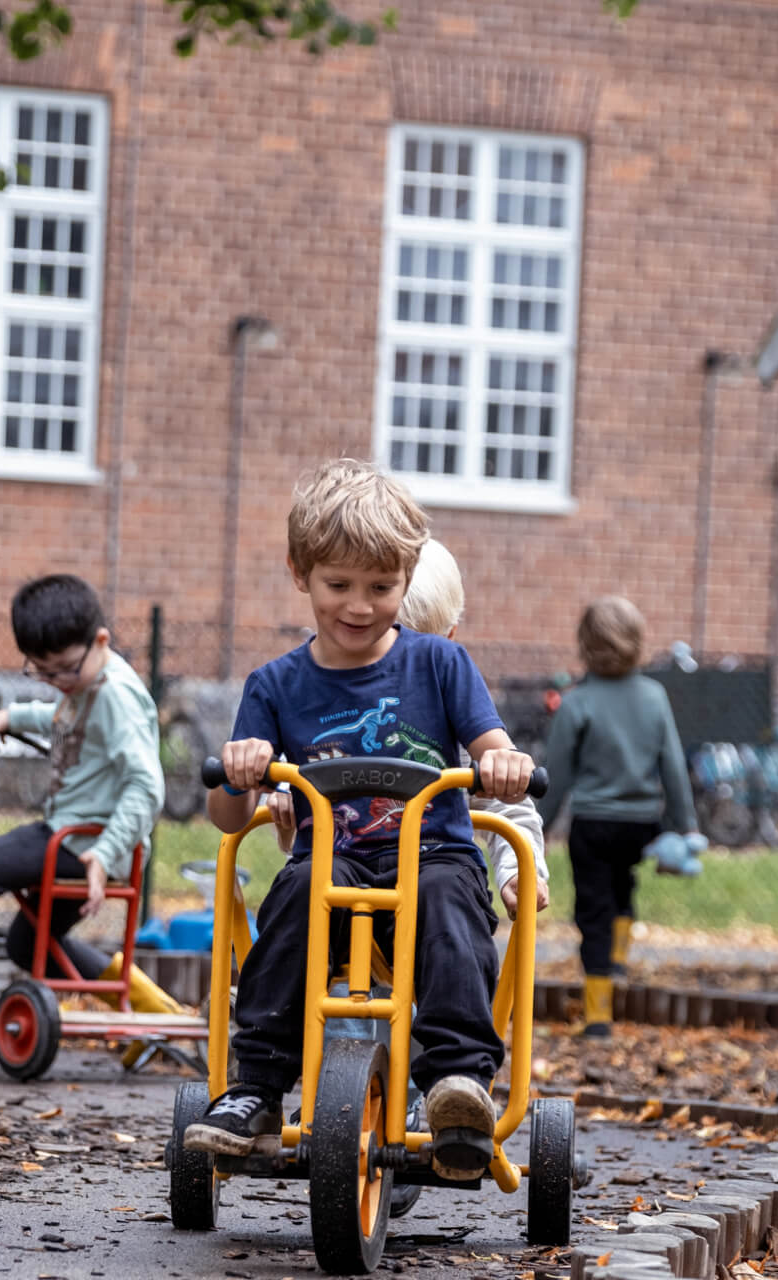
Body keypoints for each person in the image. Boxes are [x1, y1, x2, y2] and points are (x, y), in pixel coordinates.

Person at [183, 459, 533, 1183]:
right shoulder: (275, 684)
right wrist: (241, 767)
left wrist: (502, 762)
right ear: (300, 573)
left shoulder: (440, 664)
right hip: (333, 861)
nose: (360, 605)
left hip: (430, 851)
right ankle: (256, 1086)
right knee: (296, 892)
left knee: (447, 903)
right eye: (338, 585)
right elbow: (227, 818)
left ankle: (457, 1086)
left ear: (407, 579)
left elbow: (490, 746)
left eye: (381, 587)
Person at [0, 573, 166, 1072]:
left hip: (81, 843)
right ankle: (154, 1011)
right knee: (27, 942)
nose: (57, 683)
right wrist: (15, 716)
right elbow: (67, 718)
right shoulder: (92, 684)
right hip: (87, 840)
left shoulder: (115, 697)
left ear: (100, 640)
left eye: (63, 670)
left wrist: (103, 855)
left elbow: (147, 785)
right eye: (42, 674)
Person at [266, 537, 551, 920]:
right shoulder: (320, 700)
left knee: (449, 910)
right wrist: (284, 796)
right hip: (343, 882)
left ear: (447, 641)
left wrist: (518, 869)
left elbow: (506, 805)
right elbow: (295, 765)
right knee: (304, 905)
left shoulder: (452, 711)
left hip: (428, 886)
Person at [535, 595, 700, 1039]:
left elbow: (559, 775)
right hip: (643, 823)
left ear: (585, 644)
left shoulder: (577, 702)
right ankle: (622, 957)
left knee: (594, 909)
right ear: (637, 641)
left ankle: (598, 1015)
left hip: (593, 825)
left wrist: (536, 830)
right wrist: (686, 827)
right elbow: (672, 765)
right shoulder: (654, 696)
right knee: (624, 887)